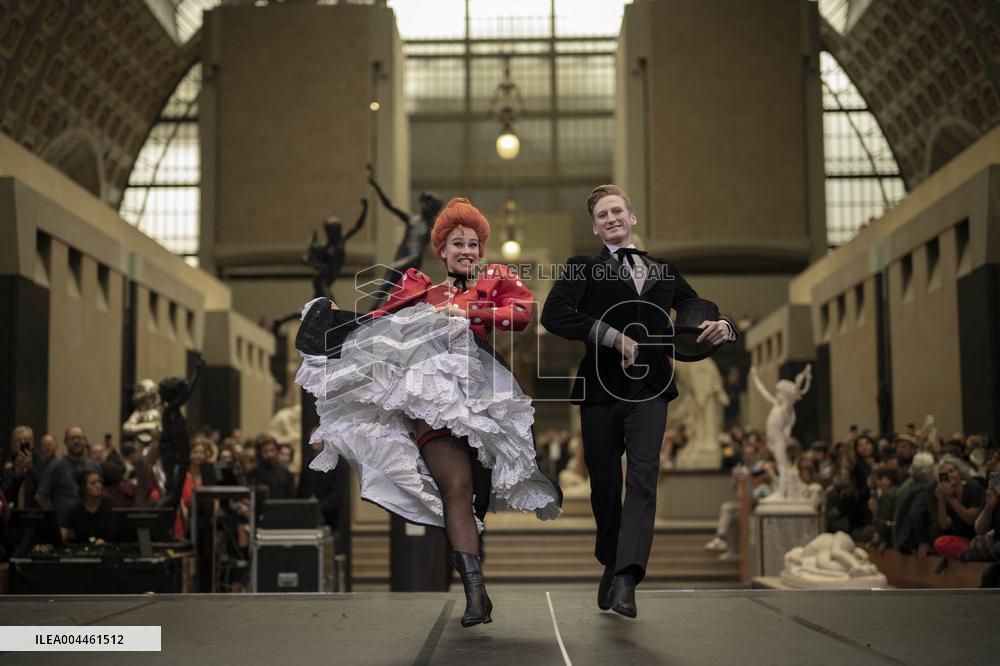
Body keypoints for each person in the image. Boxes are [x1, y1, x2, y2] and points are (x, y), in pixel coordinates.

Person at [296, 196, 561, 628]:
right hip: (430, 402)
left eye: (473, 244)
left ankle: (475, 564)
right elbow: (377, 326)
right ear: (442, 250)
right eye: (458, 243)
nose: (467, 250)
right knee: (454, 488)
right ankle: (476, 595)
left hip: (484, 402)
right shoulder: (419, 290)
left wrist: (469, 309)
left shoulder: (493, 283)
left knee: (475, 495)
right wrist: (331, 329)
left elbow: (523, 314)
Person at [540, 184, 737, 619]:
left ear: (632, 218)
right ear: (595, 227)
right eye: (602, 215)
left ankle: (628, 577)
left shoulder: (664, 270)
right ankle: (611, 561)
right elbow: (553, 314)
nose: (611, 218)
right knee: (605, 485)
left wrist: (722, 325)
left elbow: (695, 307)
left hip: (651, 389)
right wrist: (613, 338)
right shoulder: (581, 268)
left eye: (617, 211)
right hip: (600, 388)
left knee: (644, 478)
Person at [36, 426, 102, 525]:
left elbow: (100, 493)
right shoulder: (56, 466)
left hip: (89, 523)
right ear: (65, 442)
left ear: (85, 441)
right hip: (64, 524)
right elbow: (41, 496)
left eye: (79, 438)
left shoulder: (94, 466)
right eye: (72, 439)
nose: (76, 441)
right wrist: (54, 516)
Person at [932, 454, 985, 559]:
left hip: (977, 537)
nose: (949, 476)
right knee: (940, 542)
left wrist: (951, 499)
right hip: (961, 538)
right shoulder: (947, 492)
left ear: (960, 473)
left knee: (942, 544)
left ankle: (970, 554)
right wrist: (941, 501)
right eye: (944, 474)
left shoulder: (973, 487)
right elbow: (944, 525)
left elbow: (970, 519)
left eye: (952, 471)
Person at [62, 469, 114, 544]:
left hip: (107, 550)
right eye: (93, 483)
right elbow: (62, 533)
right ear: (83, 487)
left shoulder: (111, 505)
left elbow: (118, 534)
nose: (98, 485)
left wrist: (106, 542)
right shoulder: (75, 510)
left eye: (100, 482)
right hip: (82, 552)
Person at [250, 435, 295, 500]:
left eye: (272, 450)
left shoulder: (287, 474)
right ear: (259, 453)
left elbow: (291, 500)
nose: (269, 454)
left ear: (276, 451)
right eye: (265, 451)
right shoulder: (253, 473)